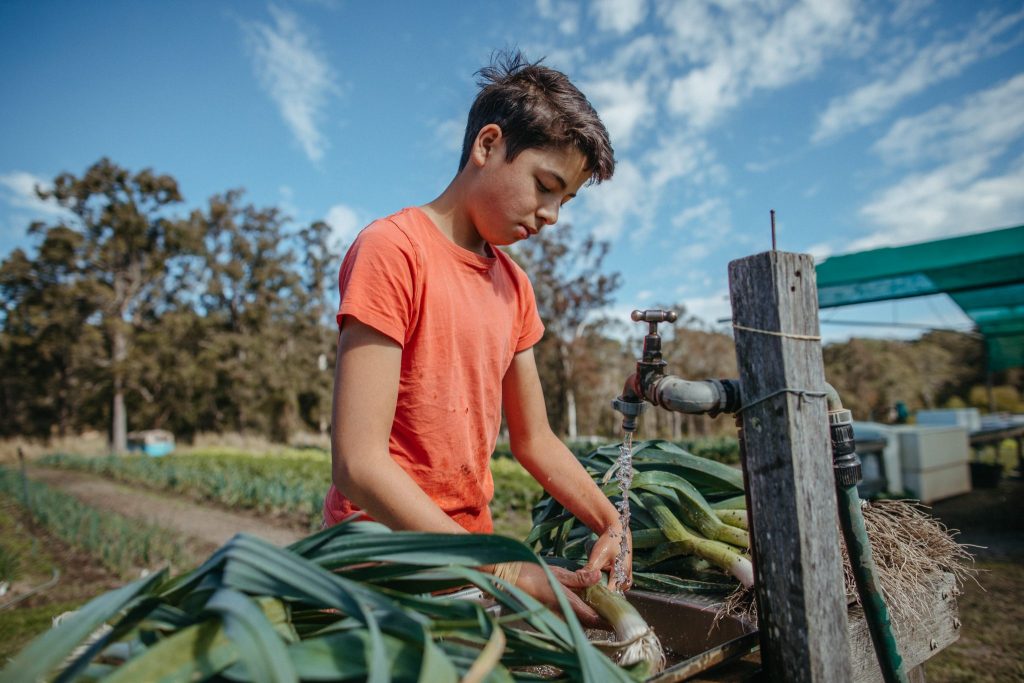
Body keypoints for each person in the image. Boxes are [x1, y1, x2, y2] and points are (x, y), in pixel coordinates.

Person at [323, 50, 629, 626]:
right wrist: (504, 571)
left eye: (566, 200)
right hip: (381, 569)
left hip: (469, 565)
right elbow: (358, 464)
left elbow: (534, 440)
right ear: (487, 146)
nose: (552, 215)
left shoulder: (514, 287)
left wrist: (610, 520)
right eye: (545, 186)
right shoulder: (394, 251)